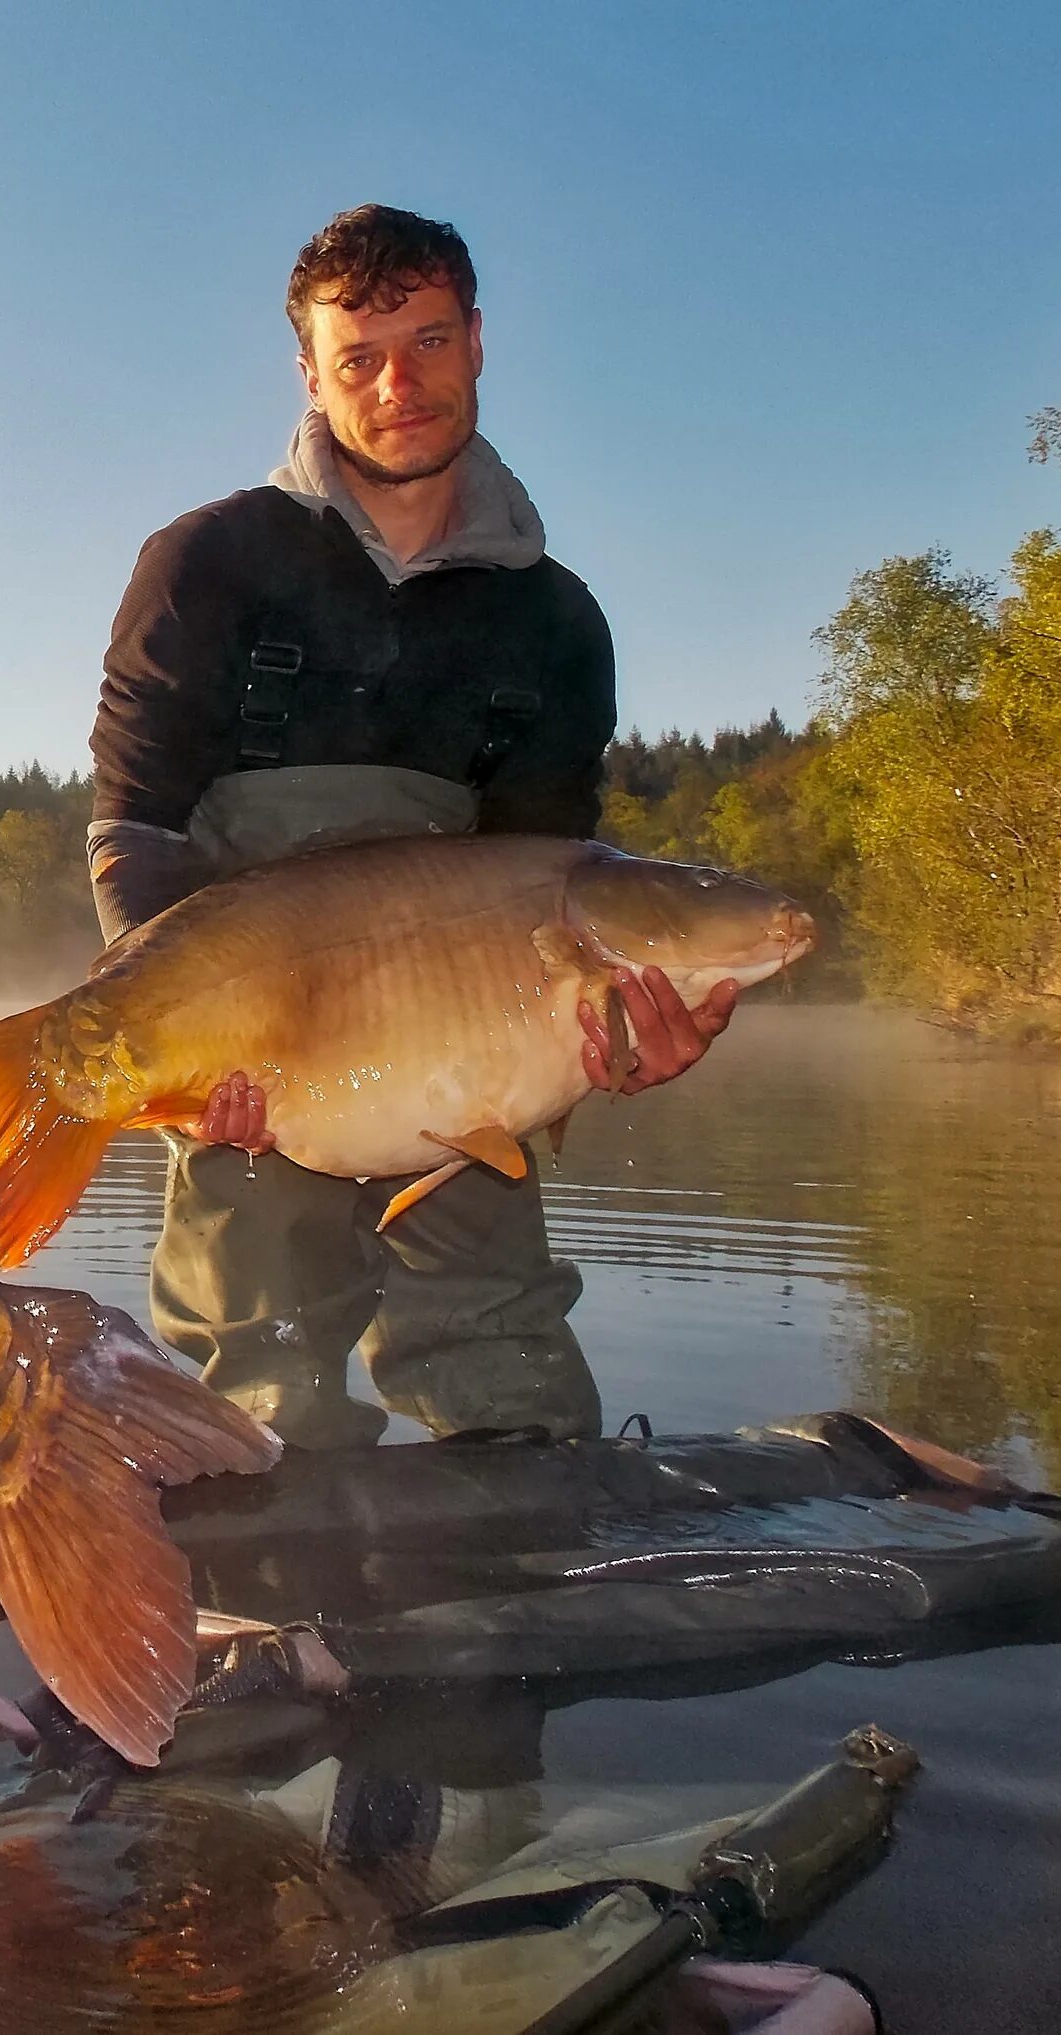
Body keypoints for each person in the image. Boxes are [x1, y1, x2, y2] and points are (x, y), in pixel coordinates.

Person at [84, 207, 737, 1451]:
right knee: (256, 1405)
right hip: (263, 1051)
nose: (400, 384)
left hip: (465, 1057)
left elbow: (558, 875)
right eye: (359, 358)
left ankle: (525, 1597)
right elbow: (134, 820)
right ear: (309, 372)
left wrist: (614, 1039)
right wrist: (182, 1025)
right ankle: (258, 1622)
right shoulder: (204, 563)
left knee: (511, 1389)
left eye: (431, 341)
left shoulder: (555, 622)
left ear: (480, 340)